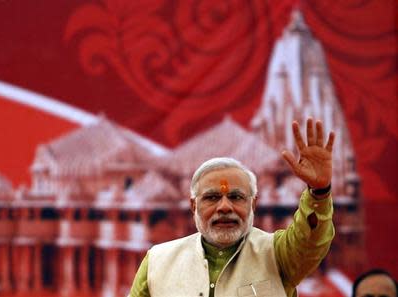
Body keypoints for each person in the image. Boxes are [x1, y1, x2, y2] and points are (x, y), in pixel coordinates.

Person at [129, 118, 336, 297]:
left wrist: (319, 192)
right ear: (194, 205)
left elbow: (311, 241)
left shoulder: (278, 253)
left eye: (236, 197)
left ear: (253, 203)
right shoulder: (158, 261)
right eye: (212, 197)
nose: (225, 207)